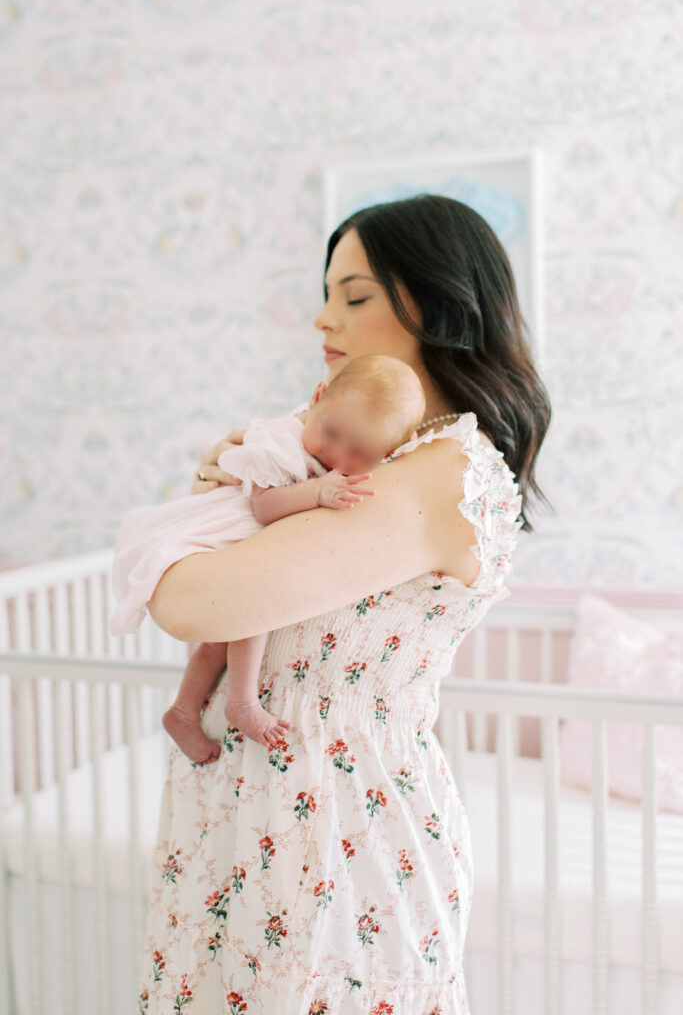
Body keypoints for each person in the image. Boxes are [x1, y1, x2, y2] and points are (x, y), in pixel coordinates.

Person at [138, 194, 551, 1015]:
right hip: (254, 801)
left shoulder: (433, 474)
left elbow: (192, 600)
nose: (323, 318)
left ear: (433, 305)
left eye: (354, 296)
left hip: (332, 821)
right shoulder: (365, 451)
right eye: (327, 293)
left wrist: (209, 495)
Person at [110, 355, 425, 763]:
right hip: (234, 527)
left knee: (219, 642)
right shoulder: (279, 443)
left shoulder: (342, 445)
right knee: (253, 613)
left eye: (359, 453)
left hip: (249, 539)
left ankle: (183, 711)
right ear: (317, 397)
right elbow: (263, 507)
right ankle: (241, 703)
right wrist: (317, 492)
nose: (336, 454)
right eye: (330, 433)